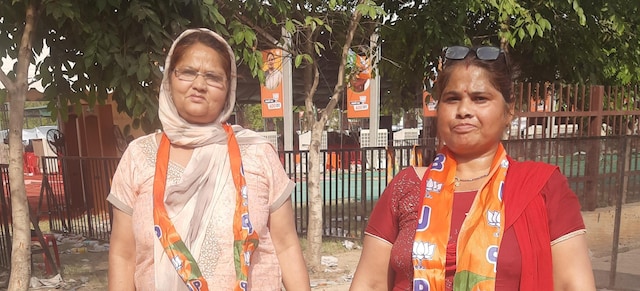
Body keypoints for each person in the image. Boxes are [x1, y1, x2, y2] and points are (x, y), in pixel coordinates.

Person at [350, 45, 595, 291]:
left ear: (508, 111)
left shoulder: (542, 188)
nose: (464, 111)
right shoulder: (406, 186)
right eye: (452, 98)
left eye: (480, 99)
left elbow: (571, 283)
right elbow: (370, 283)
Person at [107, 28, 311, 291]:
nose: (199, 85)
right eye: (187, 72)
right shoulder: (138, 157)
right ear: (169, 79)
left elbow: (287, 246)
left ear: (228, 88)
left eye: (213, 77)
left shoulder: (258, 153)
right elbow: (123, 255)